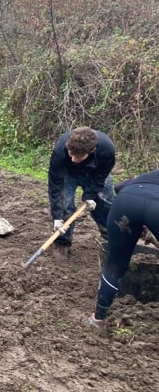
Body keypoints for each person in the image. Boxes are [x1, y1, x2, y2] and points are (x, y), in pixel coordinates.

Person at [89, 168, 159, 327]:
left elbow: (119, 186)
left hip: (126, 202)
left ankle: (98, 318)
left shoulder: (150, 175)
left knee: (115, 264)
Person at [48, 126, 116, 260]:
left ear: (91, 151)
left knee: (105, 202)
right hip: (68, 172)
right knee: (65, 205)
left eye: (77, 156)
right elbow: (55, 185)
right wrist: (56, 216)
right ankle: (62, 242)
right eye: (71, 154)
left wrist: (90, 194)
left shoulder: (106, 149)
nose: (73, 159)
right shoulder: (60, 151)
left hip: (94, 172)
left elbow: (101, 175)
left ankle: (111, 235)